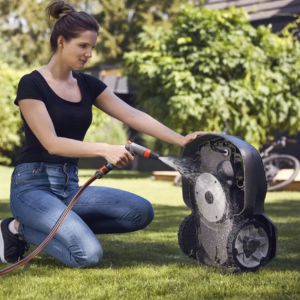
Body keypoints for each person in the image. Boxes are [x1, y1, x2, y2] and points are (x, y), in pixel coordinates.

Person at [0, 0, 205, 267]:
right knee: (88, 254)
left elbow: (132, 115)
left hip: (69, 186)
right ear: (61, 41)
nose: (89, 54)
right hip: (33, 187)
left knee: (139, 212)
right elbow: (51, 143)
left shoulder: (88, 85)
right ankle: (18, 227)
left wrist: (180, 139)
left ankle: (52, 225)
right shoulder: (32, 84)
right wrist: (104, 148)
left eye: (92, 47)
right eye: (83, 46)